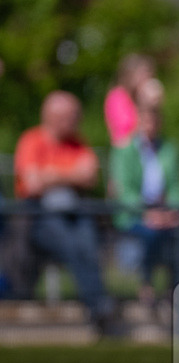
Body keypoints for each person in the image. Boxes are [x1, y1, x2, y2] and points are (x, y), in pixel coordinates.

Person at [13, 91, 116, 332]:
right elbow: (32, 184)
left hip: (74, 214)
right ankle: (97, 303)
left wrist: (51, 175)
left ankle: (99, 304)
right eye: (68, 117)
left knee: (87, 240)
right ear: (51, 117)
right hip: (38, 219)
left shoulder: (78, 142)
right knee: (70, 242)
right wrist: (70, 175)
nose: (74, 122)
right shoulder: (32, 140)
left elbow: (89, 175)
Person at [108, 106, 179, 304]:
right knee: (151, 235)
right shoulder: (124, 151)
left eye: (154, 122)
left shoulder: (169, 149)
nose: (150, 127)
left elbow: (177, 187)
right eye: (145, 122)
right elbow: (124, 192)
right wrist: (147, 213)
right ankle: (146, 284)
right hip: (135, 215)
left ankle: (176, 287)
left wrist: (173, 212)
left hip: (164, 213)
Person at [104, 54, 158, 147]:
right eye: (144, 74)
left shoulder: (138, 97)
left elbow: (154, 129)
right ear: (131, 75)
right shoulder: (117, 97)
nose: (148, 78)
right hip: (127, 151)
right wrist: (144, 103)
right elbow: (125, 132)